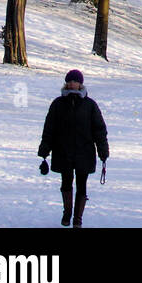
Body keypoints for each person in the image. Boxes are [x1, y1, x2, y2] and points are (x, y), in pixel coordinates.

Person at [37, 69, 109, 228]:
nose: (71, 84)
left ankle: (78, 218)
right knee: (66, 182)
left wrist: (103, 151)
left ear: (80, 84)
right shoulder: (58, 104)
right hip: (63, 151)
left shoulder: (90, 105)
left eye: (75, 81)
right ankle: (67, 212)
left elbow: (99, 130)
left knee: (82, 185)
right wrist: (44, 149)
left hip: (84, 151)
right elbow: (49, 128)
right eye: (69, 81)